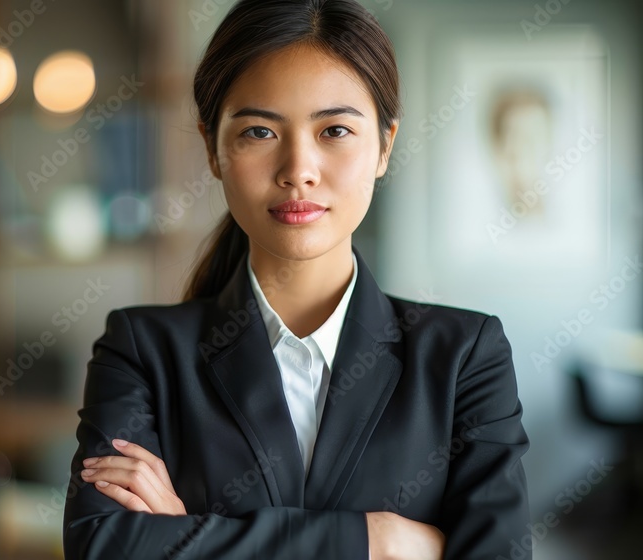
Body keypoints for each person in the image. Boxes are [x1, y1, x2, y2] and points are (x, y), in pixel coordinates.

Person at [63, 0, 530, 558]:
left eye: (334, 129)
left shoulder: (464, 357)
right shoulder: (141, 350)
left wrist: (187, 534)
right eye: (259, 131)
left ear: (384, 145)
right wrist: (378, 541)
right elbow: (104, 547)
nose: (298, 170)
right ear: (213, 148)